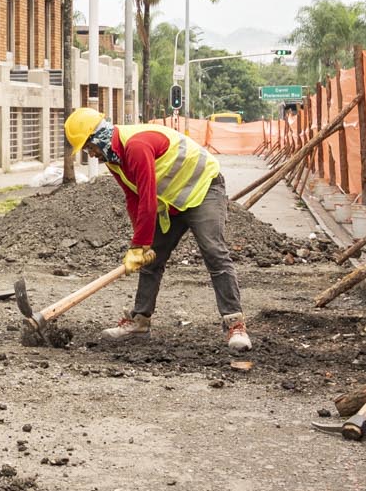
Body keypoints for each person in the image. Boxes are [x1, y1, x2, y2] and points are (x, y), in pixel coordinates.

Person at [62, 107, 253, 350]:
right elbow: (133, 198)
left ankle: (235, 324)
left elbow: (148, 199)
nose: (92, 154)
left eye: (90, 147)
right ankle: (139, 322)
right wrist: (140, 247)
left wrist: (139, 245)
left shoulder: (135, 146)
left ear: (98, 137)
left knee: (214, 252)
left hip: (204, 189)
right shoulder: (114, 159)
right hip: (173, 201)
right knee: (152, 259)